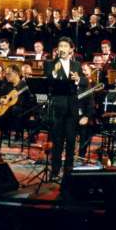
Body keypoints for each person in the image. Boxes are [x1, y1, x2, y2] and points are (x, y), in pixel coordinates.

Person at [44, 37, 86, 181]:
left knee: (71, 141)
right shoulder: (50, 64)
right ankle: (55, 171)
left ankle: (69, 171)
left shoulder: (76, 65)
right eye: (60, 45)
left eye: (65, 46)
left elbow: (85, 81)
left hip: (72, 108)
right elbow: (48, 81)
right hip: (57, 107)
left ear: (71, 50)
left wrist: (78, 79)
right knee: (57, 141)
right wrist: (55, 72)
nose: (62, 48)